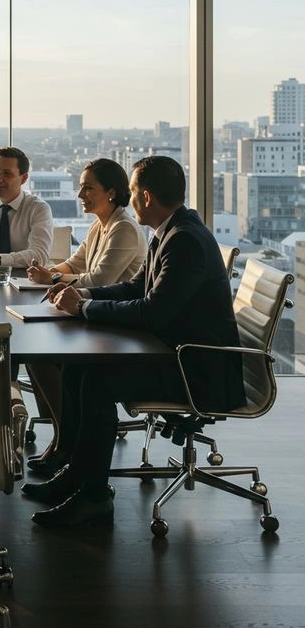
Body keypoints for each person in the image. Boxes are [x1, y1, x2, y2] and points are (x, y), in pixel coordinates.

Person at [24, 155, 243, 528]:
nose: (129, 197)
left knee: (97, 382)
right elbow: (134, 287)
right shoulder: (170, 231)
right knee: (78, 368)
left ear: (146, 197)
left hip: (197, 370)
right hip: (174, 354)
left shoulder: (184, 241)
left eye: (132, 191)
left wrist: (84, 309)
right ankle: (77, 475)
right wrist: (84, 297)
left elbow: (152, 312)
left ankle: (94, 498)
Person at [23, 159, 147, 475]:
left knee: (50, 358)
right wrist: (48, 272)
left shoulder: (123, 228)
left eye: (88, 187)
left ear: (111, 192)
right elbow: (76, 264)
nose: (80, 194)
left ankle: (66, 442)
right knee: (37, 357)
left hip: (117, 326)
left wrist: (53, 279)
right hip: (94, 318)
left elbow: (100, 280)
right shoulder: (99, 224)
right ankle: (64, 437)